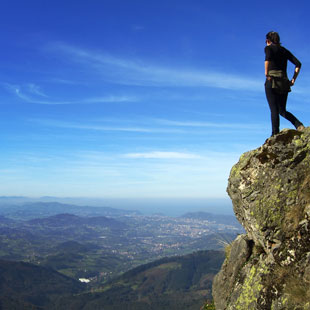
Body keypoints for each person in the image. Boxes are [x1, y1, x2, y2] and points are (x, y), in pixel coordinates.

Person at [265, 31, 305, 136]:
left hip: (272, 81)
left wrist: (267, 74)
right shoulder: (284, 51)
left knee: (274, 109)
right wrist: (293, 79)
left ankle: (275, 135)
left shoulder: (268, 48)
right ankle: (298, 125)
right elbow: (298, 64)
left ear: (268, 40)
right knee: (282, 110)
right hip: (284, 83)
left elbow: (267, 59)